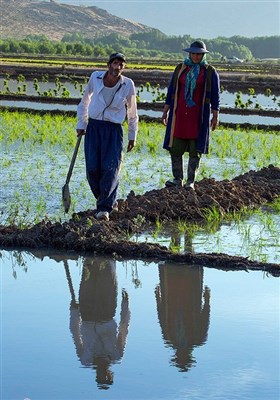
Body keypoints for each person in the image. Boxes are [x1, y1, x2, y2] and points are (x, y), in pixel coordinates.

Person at [76, 52, 139, 221]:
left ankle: (104, 208)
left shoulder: (127, 84)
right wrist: (81, 124)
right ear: (108, 65)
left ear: (123, 68)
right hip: (94, 127)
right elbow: (85, 102)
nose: (117, 67)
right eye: (115, 64)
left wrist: (132, 135)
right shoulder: (95, 78)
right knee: (92, 169)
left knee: (111, 169)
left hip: (113, 130)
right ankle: (104, 199)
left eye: (121, 65)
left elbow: (132, 112)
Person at [162, 40, 220, 190]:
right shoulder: (181, 68)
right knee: (175, 146)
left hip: (198, 116)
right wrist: (165, 111)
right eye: (193, 53)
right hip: (180, 114)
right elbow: (171, 91)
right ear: (189, 53)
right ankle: (177, 178)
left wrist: (215, 115)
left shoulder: (209, 71)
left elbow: (215, 95)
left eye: (198, 54)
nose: (195, 56)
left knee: (195, 148)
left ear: (203, 55)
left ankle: (191, 181)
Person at [69, 257, 131, 390]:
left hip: (87, 312)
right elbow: (123, 329)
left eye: (101, 375)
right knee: (108, 271)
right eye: (106, 375)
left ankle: (91, 252)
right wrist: (125, 306)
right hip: (106, 311)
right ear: (110, 373)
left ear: (97, 374)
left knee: (88, 274)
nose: (103, 371)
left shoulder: (85, 359)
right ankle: (107, 251)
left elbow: (75, 332)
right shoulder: (116, 355)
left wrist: (74, 312)